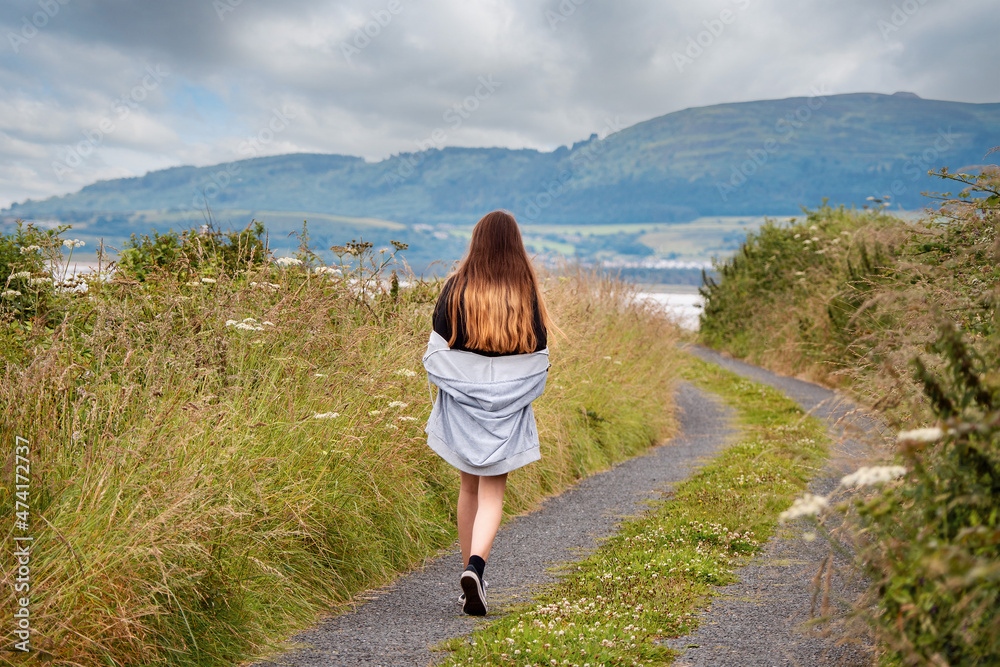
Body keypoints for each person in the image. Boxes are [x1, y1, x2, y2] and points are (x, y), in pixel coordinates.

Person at [422, 209, 555, 616]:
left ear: (476, 242)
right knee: (493, 491)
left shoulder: (456, 288)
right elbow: (538, 351)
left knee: (468, 488)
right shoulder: (525, 292)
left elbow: (437, 346)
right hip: (508, 407)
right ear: (516, 246)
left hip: (463, 402)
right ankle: (476, 568)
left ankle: (469, 578)